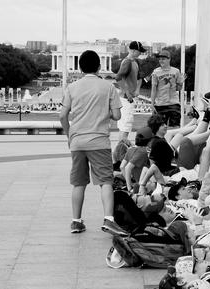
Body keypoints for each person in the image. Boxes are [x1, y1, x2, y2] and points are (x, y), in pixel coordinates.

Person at [58, 50, 127, 236]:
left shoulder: (72, 88)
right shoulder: (108, 87)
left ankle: (76, 221)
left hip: (78, 141)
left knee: (78, 183)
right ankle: (108, 220)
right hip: (99, 141)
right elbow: (118, 115)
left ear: (80, 67)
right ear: (99, 66)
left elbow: (62, 115)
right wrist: (106, 112)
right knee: (105, 181)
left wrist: (69, 135)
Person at [114, 41, 146, 147]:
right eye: (139, 51)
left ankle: (121, 151)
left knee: (125, 127)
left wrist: (137, 89)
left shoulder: (135, 62)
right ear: (133, 50)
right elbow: (118, 78)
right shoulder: (127, 62)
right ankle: (121, 153)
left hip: (129, 98)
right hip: (126, 99)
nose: (140, 53)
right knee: (126, 126)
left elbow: (140, 77)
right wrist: (127, 92)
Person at [150, 50, 184, 127]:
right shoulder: (156, 72)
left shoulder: (176, 71)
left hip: (174, 103)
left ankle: (174, 139)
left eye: (163, 59)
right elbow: (153, 89)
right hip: (161, 104)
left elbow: (178, 88)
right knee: (160, 128)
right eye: (160, 59)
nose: (161, 61)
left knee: (175, 127)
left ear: (169, 59)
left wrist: (181, 83)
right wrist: (152, 104)